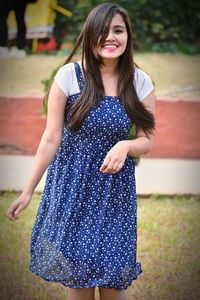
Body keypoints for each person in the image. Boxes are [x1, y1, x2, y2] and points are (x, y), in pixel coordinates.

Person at [6, 3, 156, 300]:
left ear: (128, 36)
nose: (110, 37)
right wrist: (27, 191)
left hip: (115, 194)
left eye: (118, 30)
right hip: (74, 190)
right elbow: (50, 139)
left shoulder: (139, 81)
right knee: (81, 280)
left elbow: (146, 141)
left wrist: (125, 145)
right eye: (103, 30)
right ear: (89, 35)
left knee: (113, 282)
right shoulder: (68, 76)